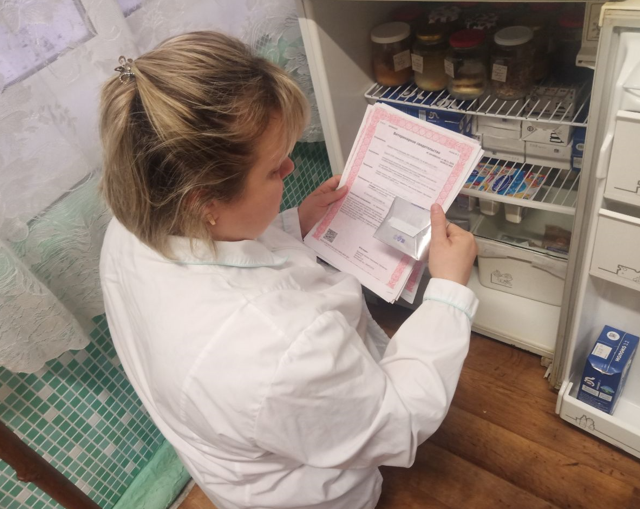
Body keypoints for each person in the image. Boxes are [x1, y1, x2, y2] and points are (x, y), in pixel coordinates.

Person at [99, 31, 478, 509]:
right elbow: (397, 421)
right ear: (204, 202)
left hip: (237, 457)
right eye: (274, 169)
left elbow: (224, 250)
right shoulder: (276, 350)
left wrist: (294, 223)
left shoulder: (134, 218)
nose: (291, 169)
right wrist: (447, 292)